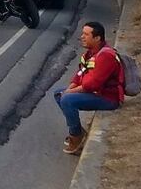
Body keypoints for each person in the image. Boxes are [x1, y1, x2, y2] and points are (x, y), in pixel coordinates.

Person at [53, 22, 124, 155]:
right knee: (59, 94)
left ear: (97, 38)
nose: (82, 37)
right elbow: (78, 76)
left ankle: (76, 136)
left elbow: (92, 85)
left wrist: (69, 93)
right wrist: (68, 89)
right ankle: (79, 131)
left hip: (108, 98)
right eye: (82, 34)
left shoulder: (105, 56)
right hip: (96, 94)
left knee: (67, 99)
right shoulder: (90, 54)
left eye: (86, 34)